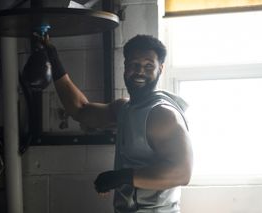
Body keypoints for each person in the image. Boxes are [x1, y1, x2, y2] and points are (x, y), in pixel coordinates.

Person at [42, 34, 193, 213]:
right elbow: (80, 110)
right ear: (125, 66)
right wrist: (53, 57)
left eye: (148, 66)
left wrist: (122, 177)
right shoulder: (126, 108)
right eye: (134, 65)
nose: (140, 72)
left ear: (160, 69)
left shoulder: (162, 115)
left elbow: (182, 173)